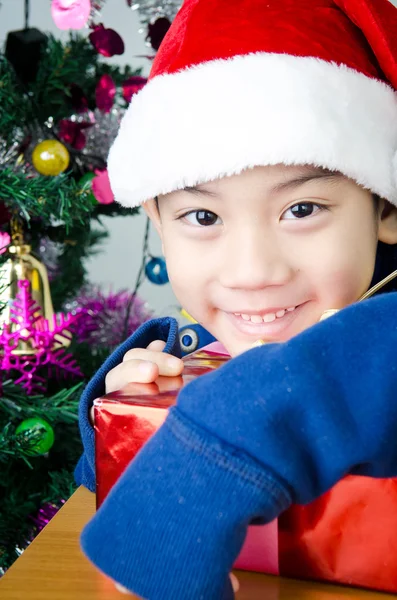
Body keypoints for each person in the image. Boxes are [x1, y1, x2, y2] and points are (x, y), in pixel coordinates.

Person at [75, 0, 397, 598]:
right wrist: (133, 426)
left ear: (386, 207)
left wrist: (211, 438)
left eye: (301, 210)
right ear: (158, 220)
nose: (252, 272)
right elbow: (108, 504)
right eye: (202, 215)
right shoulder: (189, 352)